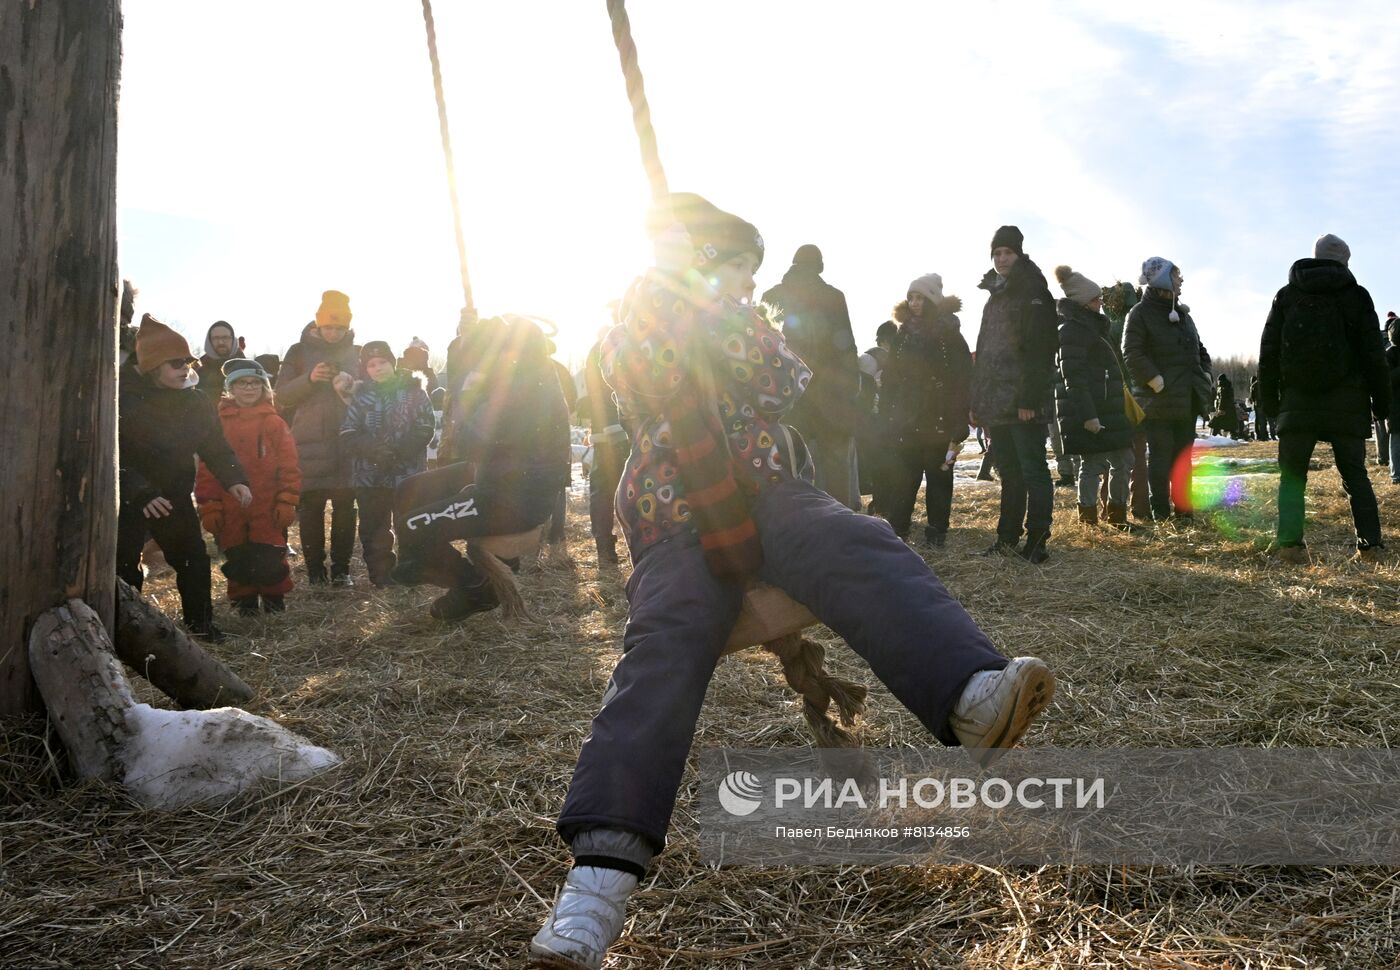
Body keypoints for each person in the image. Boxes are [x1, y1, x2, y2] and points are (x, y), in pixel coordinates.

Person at [530, 194, 1055, 969]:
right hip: (673, 511)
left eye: (749, 275)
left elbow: (781, 382)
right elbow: (629, 371)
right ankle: (597, 882)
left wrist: (724, 316)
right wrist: (675, 309)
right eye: (734, 269)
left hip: (770, 488)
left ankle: (968, 695)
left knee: (856, 539)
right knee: (665, 642)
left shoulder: (740, 324)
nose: (745, 285)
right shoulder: (629, 327)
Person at [390, 315, 571, 620]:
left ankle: (476, 587)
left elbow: (475, 438)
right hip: (498, 477)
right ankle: (429, 566)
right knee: (408, 490)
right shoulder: (525, 377)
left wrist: (470, 393)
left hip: (514, 497)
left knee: (412, 527)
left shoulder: (527, 387)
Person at [117, 315, 251, 641]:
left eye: (188, 361)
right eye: (175, 363)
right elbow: (111, 453)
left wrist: (235, 478)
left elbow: (215, 445)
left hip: (174, 493)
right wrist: (139, 492)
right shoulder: (120, 398)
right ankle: (123, 633)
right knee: (122, 569)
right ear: (151, 366)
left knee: (193, 560)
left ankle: (202, 626)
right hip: (127, 499)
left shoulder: (196, 400)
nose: (185, 368)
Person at [1258, 234, 1389, 562]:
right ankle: (1371, 547)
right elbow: (1374, 355)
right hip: (1347, 403)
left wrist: (1271, 404)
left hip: (1297, 403)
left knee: (1292, 478)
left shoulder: (1287, 295)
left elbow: (1269, 352)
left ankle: (1289, 546)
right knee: (1355, 475)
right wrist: (1382, 403)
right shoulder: (1357, 297)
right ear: (1345, 261)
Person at [969, 225, 1058, 562]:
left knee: (1033, 469)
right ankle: (1006, 536)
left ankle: (1037, 539)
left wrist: (1029, 400)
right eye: (996, 253)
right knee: (1009, 472)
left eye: (1007, 252)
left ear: (1019, 254)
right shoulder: (993, 298)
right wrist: (977, 401)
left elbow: (1041, 349)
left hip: (1023, 403)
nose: (1001, 259)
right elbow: (984, 353)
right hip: (996, 402)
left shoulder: (1034, 292)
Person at [760, 244, 862, 509]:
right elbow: (846, 346)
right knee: (836, 463)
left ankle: (796, 518)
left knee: (790, 461)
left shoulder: (773, 296)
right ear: (820, 266)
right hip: (831, 394)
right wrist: (852, 388)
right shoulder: (833, 297)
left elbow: (764, 348)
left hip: (789, 392)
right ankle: (841, 521)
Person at [197, 358, 301, 615]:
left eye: (255, 383)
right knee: (238, 556)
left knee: (270, 556)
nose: (249, 388)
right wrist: (209, 505)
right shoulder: (217, 423)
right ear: (231, 388)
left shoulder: (274, 423)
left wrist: (287, 500)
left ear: (264, 388)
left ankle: (274, 606)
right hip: (230, 505)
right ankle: (245, 607)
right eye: (242, 383)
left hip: (268, 505)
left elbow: (289, 465)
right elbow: (207, 469)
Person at [275, 291, 362, 586]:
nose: (334, 333)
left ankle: (341, 570)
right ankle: (315, 572)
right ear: (317, 324)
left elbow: (372, 394)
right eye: (328, 327)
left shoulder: (358, 352)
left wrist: (352, 385)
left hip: (348, 442)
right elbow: (282, 395)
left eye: (339, 328)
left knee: (345, 509)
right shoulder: (298, 352)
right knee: (310, 508)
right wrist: (310, 379)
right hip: (309, 442)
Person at [880, 273, 970, 546]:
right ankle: (898, 527)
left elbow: (963, 377)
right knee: (905, 475)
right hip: (908, 416)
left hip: (939, 415)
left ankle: (936, 531)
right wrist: (887, 411)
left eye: (921, 297)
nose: (915, 303)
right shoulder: (903, 334)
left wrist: (959, 418)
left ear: (932, 300)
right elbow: (891, 377)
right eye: (911, 297)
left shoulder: (949, 335)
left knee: (938, 476)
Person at [1122, 257, 1212, 523]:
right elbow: (1131, 352)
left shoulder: (1183, 315)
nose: (1180, 281)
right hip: (1158, 401)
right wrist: (1154, 380)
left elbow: (1201, 350)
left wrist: (1205, 373)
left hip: (1187, 399)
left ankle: (1184, 512)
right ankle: (1161, 512)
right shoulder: (1139, 314)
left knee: (1183, 460)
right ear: (1162, 279)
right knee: (1161, 460)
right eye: (1176, 276)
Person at [339, 341, 435, 587]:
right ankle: (382, 577)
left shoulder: (415, 391)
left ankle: (411, 573)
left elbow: (425, 427)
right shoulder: (360, 396)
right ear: (365, 369)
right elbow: (348, 432)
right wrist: (375, 451)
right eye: (371, 364)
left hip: (409, 473)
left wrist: (399, 452)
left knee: (411, 523)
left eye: (382, 362)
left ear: (392, 363)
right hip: (370, 475)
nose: (378, 368)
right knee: (374, 527)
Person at [1052, 266, 1135, 529]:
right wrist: (1088, 415)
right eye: (1096, 299)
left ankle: (1117, 515)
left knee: (1122, 460)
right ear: (1083, 303)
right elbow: (1072, 378)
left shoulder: (1092, 328)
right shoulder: (1071, 331)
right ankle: (1088, 521)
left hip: (1108, 408)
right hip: (1093, 410)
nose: (1101, 303)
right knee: (1092, 463)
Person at [583, 325, 630, 564]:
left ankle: (604, 547)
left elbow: (591, 396)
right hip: (633, 429)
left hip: (605, 432)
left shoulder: (595, 352)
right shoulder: (637, 339)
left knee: (602, 491)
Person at [856, 320, 898, 514]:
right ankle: (881, 503)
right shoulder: (880, 359)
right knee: (881, 463)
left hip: (871, 418)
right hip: (879, 419)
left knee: (877, 464)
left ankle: (880, 502)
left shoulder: (867, 358)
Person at [196, 320, 245, 401]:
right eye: (215, 338)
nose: (221, 342)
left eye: (225, 337)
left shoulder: (247, 370)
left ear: (233, 339)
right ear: (209, 341)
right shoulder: (198, 375)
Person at [1387, 313, 1400, 482]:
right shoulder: (1390, 354)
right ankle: (1396, 474)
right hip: (1396, 406)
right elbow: (1387, 379)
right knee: (1396, 441)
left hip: (1394, 406)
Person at [1209, 373, 1241, 438]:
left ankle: (1214, 437)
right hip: (1229, 409)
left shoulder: (1222, 388)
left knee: (1216, 422)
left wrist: (1220, 409)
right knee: (1230, 424)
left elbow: (1222, 399)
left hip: (1223, 409)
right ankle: (1234, 436)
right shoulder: (1228, 387)